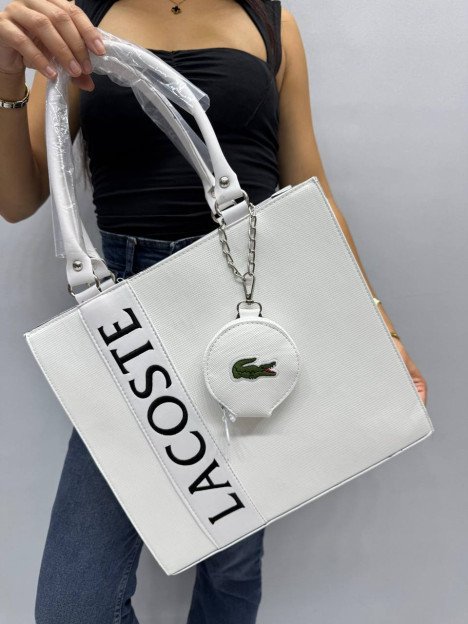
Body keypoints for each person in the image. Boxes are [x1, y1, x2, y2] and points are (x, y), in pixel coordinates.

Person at [0, 0, 428, 622]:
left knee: (232, 566)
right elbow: (17, 200)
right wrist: (5, 74)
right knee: (73, 606)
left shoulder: (271, 21)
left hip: (250, 307)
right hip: (130, 324)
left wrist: (379, 327)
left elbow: (310, 186)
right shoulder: (77, 16)